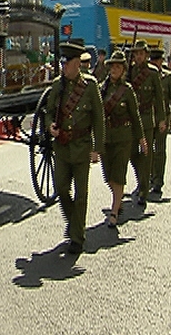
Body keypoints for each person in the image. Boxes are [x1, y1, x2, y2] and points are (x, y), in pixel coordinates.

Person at [45, 42, 105, 254]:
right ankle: (75, 224)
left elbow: (99, 118)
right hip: (62, 147)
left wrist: (97, 148)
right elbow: (49, 112)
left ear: (77, 64)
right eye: (62, 62)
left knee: (81, 194)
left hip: (81, 148)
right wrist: (49, 125)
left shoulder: (90, 86)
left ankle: (77, 238)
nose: (63, 66)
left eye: (66, 62)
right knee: (61, 188)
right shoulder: (56, 85)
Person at [99, 50, 145, 227]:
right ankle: (117, 200)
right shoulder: (102, 88)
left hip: (123, 138)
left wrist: (141, 139)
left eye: (118, 67)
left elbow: (135, 116)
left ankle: (114, 210)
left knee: (118, 175)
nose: (114, 70)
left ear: (123, 69)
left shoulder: (127, 91)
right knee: (109, 176)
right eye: (112, 66)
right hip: (106, 138)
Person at [127, 40, 166, 206]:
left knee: (146, 154)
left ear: (146, 55)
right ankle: (141, 178)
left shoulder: (153, 73)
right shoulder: (129, 71)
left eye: (141, 54)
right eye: (135, 54)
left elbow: (159, 98)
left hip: (146, 118)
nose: (138, 57)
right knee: (131, 152)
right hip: (131, 120)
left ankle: (143, 189)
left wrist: (162, 119)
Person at [149, 47, 171, 195]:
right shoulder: (146, 76)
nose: (155, 63)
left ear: (161, 61)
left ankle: (158, 181)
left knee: (160, 150)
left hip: (163, 117)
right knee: (147, 150)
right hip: (148, 117)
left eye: (157, 60)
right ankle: (148, 176)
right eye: (152, 61)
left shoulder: (168, 77)